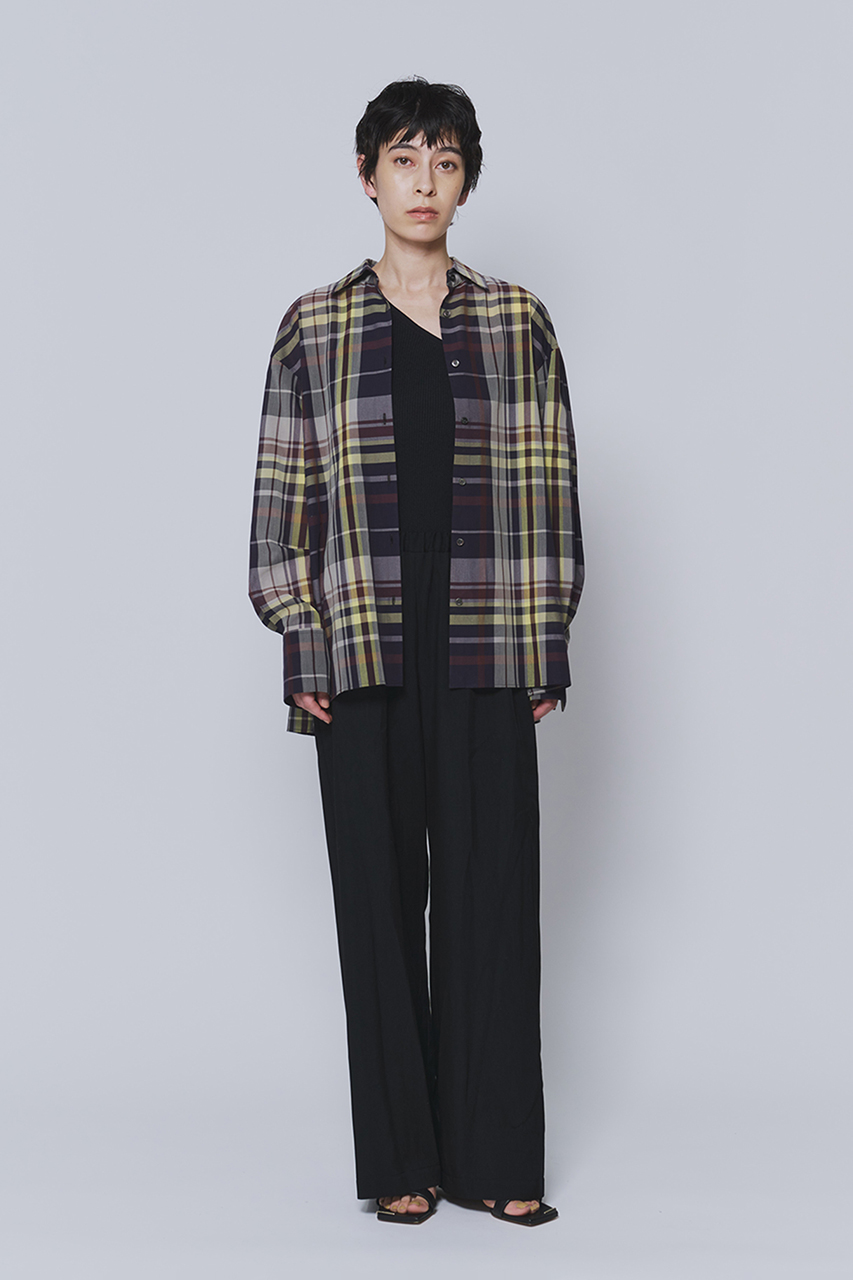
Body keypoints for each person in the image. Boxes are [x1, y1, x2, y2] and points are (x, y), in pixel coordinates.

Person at [249, 76, 583, 1227]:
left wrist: (545, 640)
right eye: (403, 159)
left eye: (444, 162)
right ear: (367, 177)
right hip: (361, 635)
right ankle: (400, 1155)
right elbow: (281, 499)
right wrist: (302, 641)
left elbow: (554, 485)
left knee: (494, 889)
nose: (424, 182)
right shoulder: (315, 324)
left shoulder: (517, 319)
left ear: (466, 181)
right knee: (378, 894)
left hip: (487, 626)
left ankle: (496, 1156)